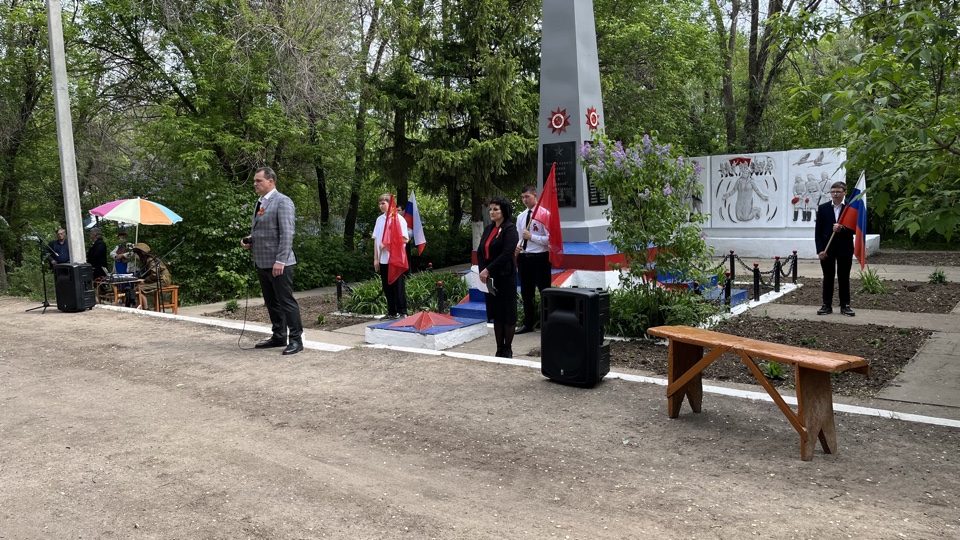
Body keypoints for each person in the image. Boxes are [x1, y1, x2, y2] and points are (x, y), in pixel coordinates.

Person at [240, 167, 304, 355]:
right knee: (272, 303)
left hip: (279, 264)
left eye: (258, 181)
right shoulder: (261, 202)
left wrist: (281, 261)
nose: (255, 184)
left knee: (286, 302)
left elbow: (287, 233)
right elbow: (263, 231)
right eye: (254, 181)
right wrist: (249, 239)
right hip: (262, 262)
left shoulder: (283, 201)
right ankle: (278, 336)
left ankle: (296, 340)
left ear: (271, 181)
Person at [477, 196, 519, 358]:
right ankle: (499, 349)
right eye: (491, 209)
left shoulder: (510, 229)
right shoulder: (489, 229)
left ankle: (507, 349)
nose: (492, 212)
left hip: (505, 277)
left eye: (496, 209)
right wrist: (483, 270)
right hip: (490, 279)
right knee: (497, 314)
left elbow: (507, 254)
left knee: (507, 314)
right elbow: (481, 252)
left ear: (504, 211)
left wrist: (488, 269)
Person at [514, 184, 552, 335]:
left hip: (540, 258)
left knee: (544, 291)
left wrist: (532, 237)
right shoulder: (521, 217)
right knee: (526, 293)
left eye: (527, 197)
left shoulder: (544, 214)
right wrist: (518, 247)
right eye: (522, 197)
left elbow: (550, 239)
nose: (525, 200)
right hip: (525, 258)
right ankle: (528, 323)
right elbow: (520, 237)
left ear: (535, 196)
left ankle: (548, 323)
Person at [815, 181, 855, 317]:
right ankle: (826, 305)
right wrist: (820, 249)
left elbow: (855, 229)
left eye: (838, 191)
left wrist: (842, 229)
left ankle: (845, 306)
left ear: (845, 192)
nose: (835, 194)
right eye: (833, 192)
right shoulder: (823, 208)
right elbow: (818, 231)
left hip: (845, 248)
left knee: (844, 277)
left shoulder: (850, 208)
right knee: (828, 277)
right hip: (827, 249)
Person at [372, 193, 409, 319]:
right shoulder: (379, 220)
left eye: (383, 203)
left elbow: (404, 239)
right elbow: (376, 240)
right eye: (379, 203)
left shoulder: (398, 219)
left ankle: (402, 311)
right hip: (383, 259)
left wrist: (387, 244)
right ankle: (392, 311)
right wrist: (376, 258)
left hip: (395, 258)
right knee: (387, 286)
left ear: (390, 204)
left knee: (398, 286)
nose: (381, 206)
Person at [132, 243, 172, 310]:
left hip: (163, 280)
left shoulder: (151, 260)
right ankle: (142, 306)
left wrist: (145, 280)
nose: (135, 256)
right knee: (137, 288)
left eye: (136, 254)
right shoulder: (147, 260)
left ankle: (146, 308)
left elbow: (155, 275)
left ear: (140, 253)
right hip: (159, 279)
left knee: (139, 288)